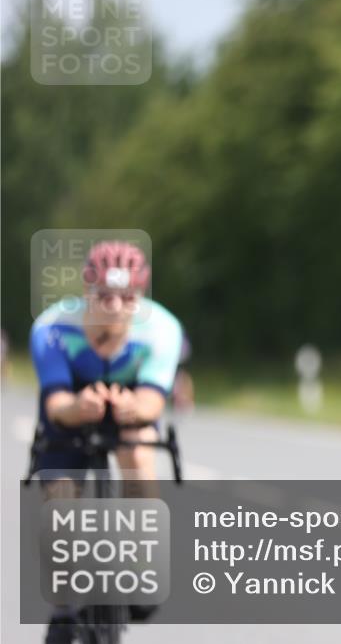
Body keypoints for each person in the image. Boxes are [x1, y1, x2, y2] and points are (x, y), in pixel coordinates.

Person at [29, 240, 184, 643]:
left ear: (140, 296)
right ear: (87, 291)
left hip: (129, 401)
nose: (115, 306)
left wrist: (134, 407)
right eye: (104, 296)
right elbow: (56, 401)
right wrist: (78, 405)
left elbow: (153, 400)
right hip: (72, 402)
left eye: (127, 296)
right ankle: (64, 605)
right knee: (60, 494)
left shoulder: (162, 329)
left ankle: (142, 559)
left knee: (137, 448)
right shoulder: (51, 327)